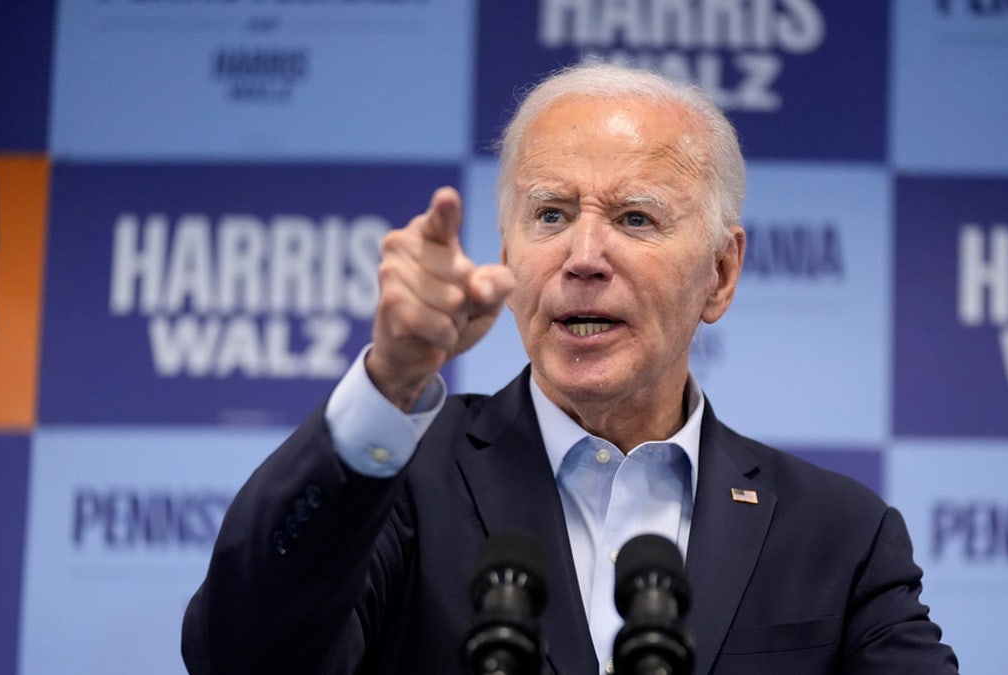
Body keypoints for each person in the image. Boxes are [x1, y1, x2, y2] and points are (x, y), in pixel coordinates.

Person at [182, 62, 958, 675]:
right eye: (551, 214)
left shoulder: (838, 534)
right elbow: (241, 656)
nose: (584, 258)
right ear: (510, 249)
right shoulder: (404, 482)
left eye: (635, 217)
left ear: (720, 274)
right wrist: (390, 382)